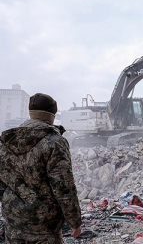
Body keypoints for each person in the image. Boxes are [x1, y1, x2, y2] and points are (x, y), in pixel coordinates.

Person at [0, 93, 82, 243]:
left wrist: (9, 205)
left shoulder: (7, 141)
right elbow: (63, 186)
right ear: (51, 115)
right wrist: (74, 221)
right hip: (44, 226)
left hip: (13, 221)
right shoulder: (54, 142)